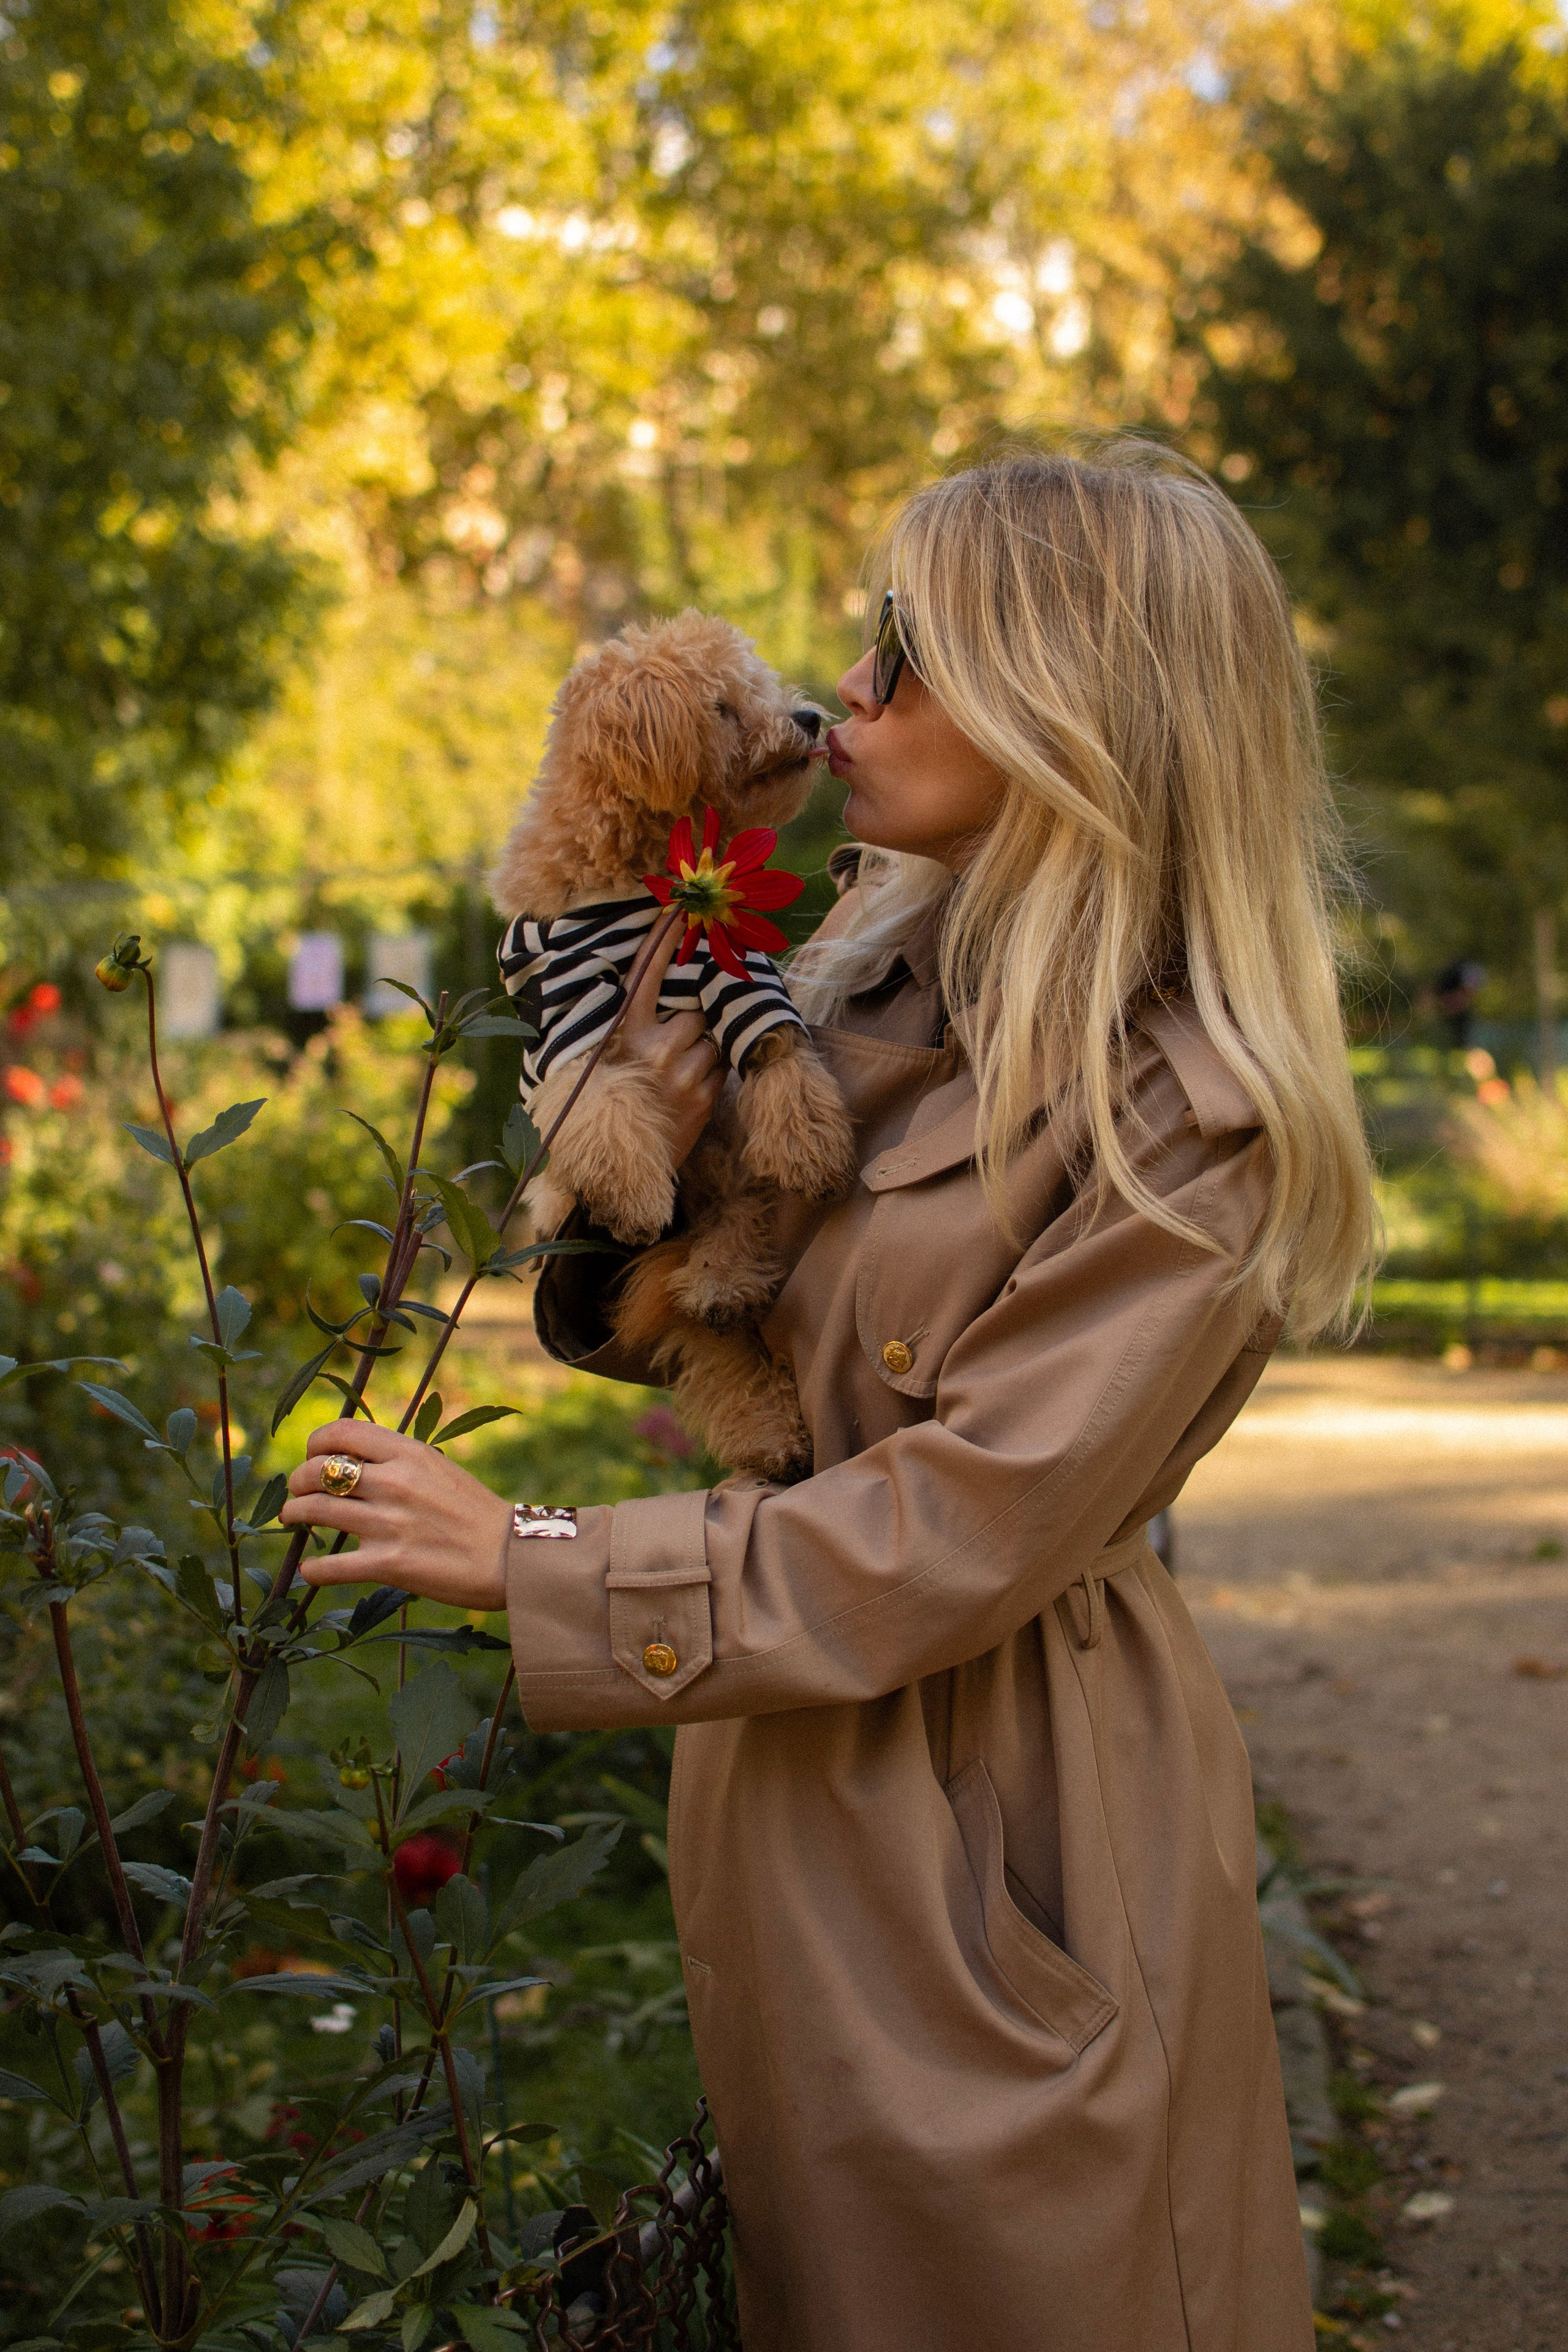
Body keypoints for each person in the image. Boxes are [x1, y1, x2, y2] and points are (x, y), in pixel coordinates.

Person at [284, 444, 1378, 2352]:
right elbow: (731, 1320)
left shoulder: (1193, 1119)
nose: (845, 697)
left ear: (1071, 705)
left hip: (1003, 1802)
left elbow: (962, 1525)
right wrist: (640, 1180)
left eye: (906, 651)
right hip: (789, 1770)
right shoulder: (870, 979)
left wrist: (537, 1559)